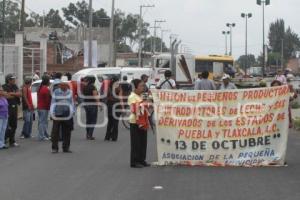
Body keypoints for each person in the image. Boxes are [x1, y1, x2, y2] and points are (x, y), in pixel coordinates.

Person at [128, 79, 150, 168]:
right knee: (136, 143)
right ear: (135, 87)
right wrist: (144, 104)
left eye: (143, 86)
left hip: (143, 121)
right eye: (141, 86)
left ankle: (142, 159)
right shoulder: (132, 96)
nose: (143, 87)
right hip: (135, 122)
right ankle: (134, 161)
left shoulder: (142, 95)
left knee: (143, 142)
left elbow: (147, 105)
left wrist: (147, 103)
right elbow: (134, 109)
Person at [50, 82, 75, 153]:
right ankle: (55, 148)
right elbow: (53, 102)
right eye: (60, 85)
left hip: (67, 113)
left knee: (67, 131)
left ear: (66, 86)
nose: (61, 86)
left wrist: (72, 111)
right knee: (55, 132)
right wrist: (52, 113)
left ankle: (66, 147)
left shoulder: (70, 92)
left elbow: (72, 102)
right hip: (57, 113)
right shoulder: (56, 92)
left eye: (63, 85)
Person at [2, 74, 21, 147]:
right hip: (7, 107)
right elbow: (6, 96)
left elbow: (20, 94)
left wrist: (12, 93)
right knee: (6, 125)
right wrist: (14, 94)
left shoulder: (15, 86)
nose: (14, 80)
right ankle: (4, 139)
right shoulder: (4, 87)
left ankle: (12, 141)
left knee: (14, 124)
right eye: (13, 79)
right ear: (9, 80)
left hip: (14, 107)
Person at [83, 76, 100, 140]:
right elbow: (95, 96)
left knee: (88, 120)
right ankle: (90, 134)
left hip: (86, 104)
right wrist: (99, 104)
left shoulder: (85, 87)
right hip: (92, 105)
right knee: (93, 120)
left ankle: (87, 134)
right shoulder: (93, 87)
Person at [105, 77, 121, 141]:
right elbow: (120, 97)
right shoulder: (118, 87)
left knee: (110, 122)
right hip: (116, 105)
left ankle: (107, 136)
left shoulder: (109, 87)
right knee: (115, 122)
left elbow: (106, 96)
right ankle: (114, 137)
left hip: (110, 105)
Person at [37, 75, 51, 141]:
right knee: (42, 122)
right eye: (49, 81)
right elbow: (47, 99)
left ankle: (44, 134)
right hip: (43, 107)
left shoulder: (41, 88)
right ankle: (41, 135)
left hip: (41, 107)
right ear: (47, 81)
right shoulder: (45, 89)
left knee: (43, 121)